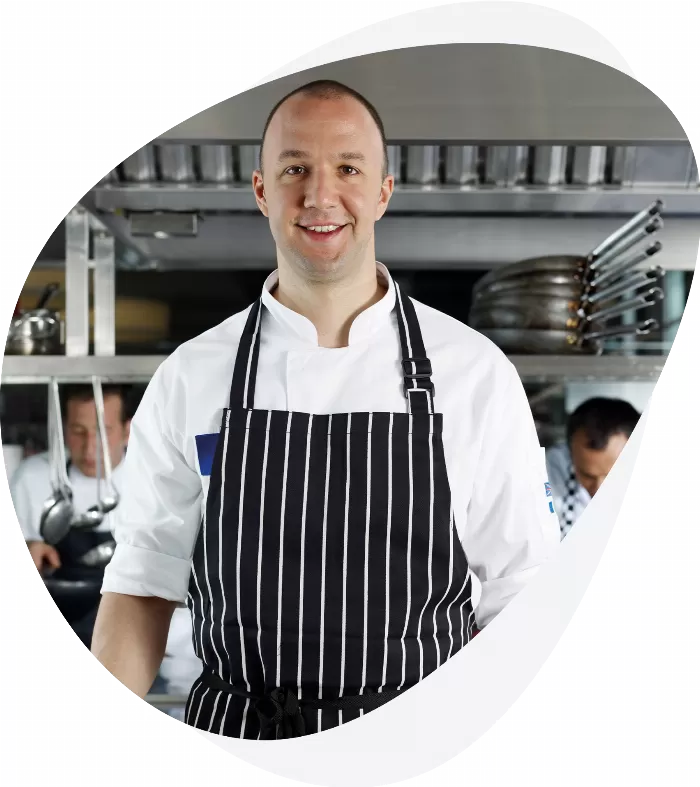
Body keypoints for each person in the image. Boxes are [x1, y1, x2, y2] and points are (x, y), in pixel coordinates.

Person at [93, 79, 560, 740]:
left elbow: (526, 592)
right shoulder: (191, 376)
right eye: (295, 169)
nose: (320, 195)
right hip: (239, 740)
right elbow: (143, 578)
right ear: (261, 189)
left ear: (382, 191)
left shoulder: (475, 374)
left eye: (347, 168)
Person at [546, 397, 641, 538]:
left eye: (612, 476)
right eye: (587, 475)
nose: (599, 489)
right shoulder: (548, 473)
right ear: (570, 454)